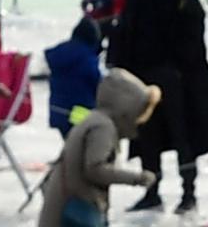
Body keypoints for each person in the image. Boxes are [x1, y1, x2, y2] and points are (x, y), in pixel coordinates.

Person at [112, 0, 208, 213]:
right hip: (143, 79)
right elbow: (128, 27)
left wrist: (180, 64)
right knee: (147, 138)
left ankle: (189, 194)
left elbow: (194, 26)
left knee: (182, 136)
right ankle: (152, 191)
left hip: (177, 79)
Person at [39, 71, 155, 227]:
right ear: (126, 109)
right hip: (75, 209)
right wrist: (137, 178)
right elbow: (95, 169)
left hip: (65, 202)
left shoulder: (94, 119)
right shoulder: (103, 127)